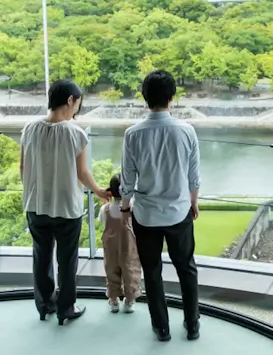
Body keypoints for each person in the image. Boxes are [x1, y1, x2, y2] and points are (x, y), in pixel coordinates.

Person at [120, 70, 201, 342]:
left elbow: (127, 179)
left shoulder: (132, 134)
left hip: (146, 216)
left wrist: (124, 208)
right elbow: (194, 176)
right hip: (179, 213)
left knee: (152, 273)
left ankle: (161, 328)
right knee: (186, 268)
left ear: (145, 98)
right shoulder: (187, 131)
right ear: (172, 98)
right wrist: (194, 202)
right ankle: (192, 324)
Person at [21, 79, 109, 325]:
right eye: (77, 105)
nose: (76, 111)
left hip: (36, 205)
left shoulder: (29, 128)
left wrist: (31, 192)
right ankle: (65, 309)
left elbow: (23, 167)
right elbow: (82, 173)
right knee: (67, 261)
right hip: (66, 208)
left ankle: (44, 306)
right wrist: (99, 191)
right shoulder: (75, 132)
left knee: (42, 257)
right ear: (70, 100)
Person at [100, 173, 141, 314]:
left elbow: (102, 223)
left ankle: (113, 300)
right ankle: (130, 301)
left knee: (111, 270)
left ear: (110, 192)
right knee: (130, 270)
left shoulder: (105, 210)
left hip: (110, 247)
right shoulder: (132, 207)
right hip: (129, 247)